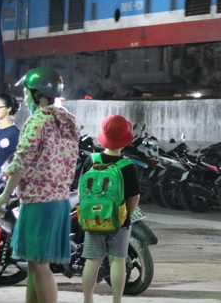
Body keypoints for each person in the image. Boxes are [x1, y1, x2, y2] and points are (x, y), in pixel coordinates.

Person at [0, 67, 78, 303]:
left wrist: (3, 196)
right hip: (58, 201)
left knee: (39, 267)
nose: (24, 96)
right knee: (34, 264)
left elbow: (20, 163)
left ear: (38, 93)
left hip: (39, 202)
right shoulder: (66, 120)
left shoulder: (37, 122)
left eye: (27, 91)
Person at [81, 115, 141, 303]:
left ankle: (88, 299)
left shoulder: (91, 160)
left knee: (92, 261)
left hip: (92, 219)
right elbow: (134, 196)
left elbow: (80, 190)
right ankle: (116, 300)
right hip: (118, 221)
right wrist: (127, 217)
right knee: (118, 260)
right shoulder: (127, 165)